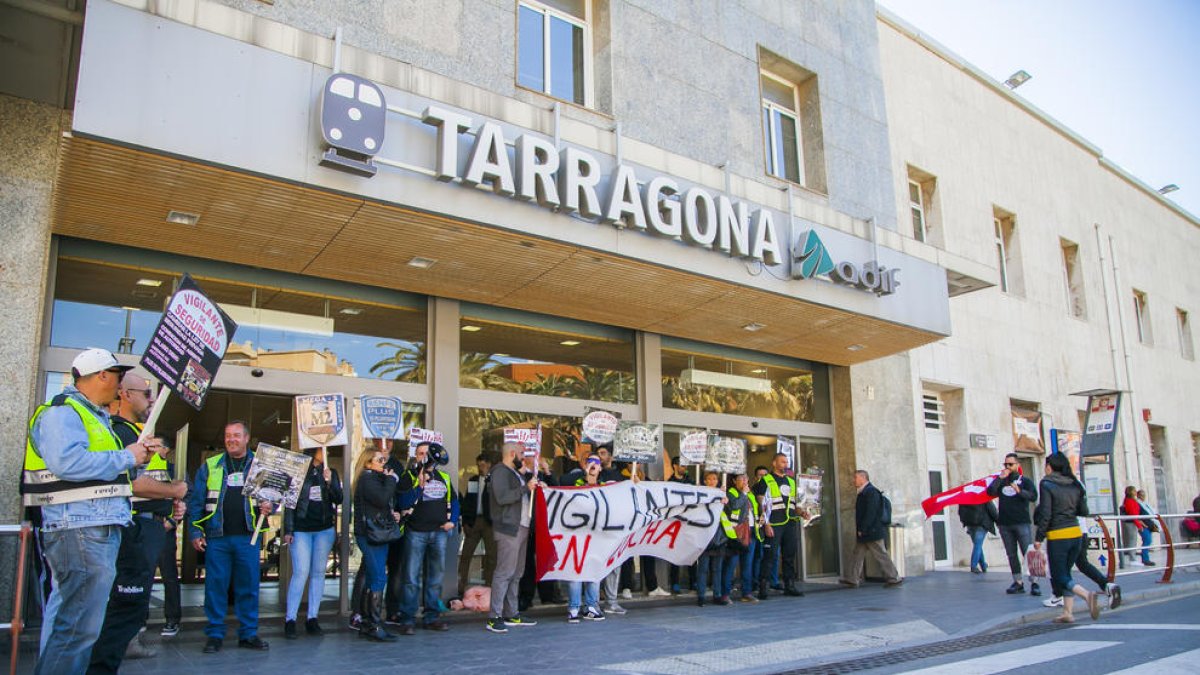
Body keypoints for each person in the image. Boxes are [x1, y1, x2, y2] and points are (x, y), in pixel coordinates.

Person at [24, 348, 154, 675]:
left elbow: (105, 470)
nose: (120, 386)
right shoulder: (63, 412)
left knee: (77, 625)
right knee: (77, 628)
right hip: (79, 528)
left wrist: (136, 461)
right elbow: (68, 462)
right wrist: (126, 457)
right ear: (101, 375)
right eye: (117, 376)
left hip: (92, 527)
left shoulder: (95, 417)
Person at [89, 372, 188, 673]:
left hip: (150, 525)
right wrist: (174, 491)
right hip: (136, 528)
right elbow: (134, 483)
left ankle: (113, 655)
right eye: (146, 394)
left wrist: (171, 509)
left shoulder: (136, 433)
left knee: (131, 602)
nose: (150, 400)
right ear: (125, 394)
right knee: (126, 602)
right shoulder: (122, 432)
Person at [187, 420, 274, 653]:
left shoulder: (261, 464)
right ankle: (215, 634)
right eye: (227, 436)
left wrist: (270, 506)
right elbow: (196, 502)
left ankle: (248, 633)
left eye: (236, 435)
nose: (231, 439)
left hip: (248, 537)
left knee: (248, 587)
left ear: (247, 438)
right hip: (217, 537)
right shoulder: (210, 465)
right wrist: (195, 531)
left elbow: (274, 498)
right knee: (215, 586)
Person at [394, 441, 460, 633]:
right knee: (411, 578)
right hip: (416, 532)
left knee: (435, 577)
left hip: (439, 532)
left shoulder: (444, 477)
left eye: (427, 453)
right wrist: (420, 484)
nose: (425, 457)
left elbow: (454, 501)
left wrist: (453, 520)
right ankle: (407, 618)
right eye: (421, 453)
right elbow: (403, 502)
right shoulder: (409, 477)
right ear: (416, 456)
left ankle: (431, 617)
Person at [282, 446, 343, 639]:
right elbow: (289, 503)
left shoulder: (330, 472)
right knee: (300, 573)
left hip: (324, 530)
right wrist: (288, 529)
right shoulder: (298, 471)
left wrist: (330, 482)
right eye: (322, 447)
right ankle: (290, 619)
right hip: (301, 530)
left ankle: (312, 618)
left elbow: (338, 499)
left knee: (318, 573)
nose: (326, 450)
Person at [1034, 453, 1101, 624]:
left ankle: (1087, 595)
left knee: (1059, 575)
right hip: (1076, 533)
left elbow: (1046, 513)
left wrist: (1039, 537)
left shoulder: (1047, 483)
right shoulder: (1074, 483)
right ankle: (1067, 612)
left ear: (1050, 466)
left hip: (1058, 535)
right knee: (1066, 573)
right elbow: (1083, 511)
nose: (1045, 468)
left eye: (1046, 464)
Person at [487, 442, 542, 632]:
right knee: (504, 572)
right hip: (508, 528)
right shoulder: (500, 472)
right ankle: (494, 615)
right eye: (521, 454)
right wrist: (525, 488)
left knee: (516, 573)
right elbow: (502, 497)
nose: (523, 458)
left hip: (521, 527)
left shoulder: (515, 474)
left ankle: (512, 612)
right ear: (512, 454)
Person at [352, 445, 400, 642]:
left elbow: (383, 504)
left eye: (384, 459)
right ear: (368, 462)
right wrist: (390, 480)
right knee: (379, 577)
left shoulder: (374, 479)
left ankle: (367, 622)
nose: (384, 463)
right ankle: (373, 623)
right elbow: (381, 499)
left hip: (378, 533)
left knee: (374, 576)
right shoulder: (367, 479)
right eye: (380, 460)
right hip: (370, 534)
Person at [986, 453, 1041, 595]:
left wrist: (1020, 491)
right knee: (1011, 554)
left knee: (1028, 552)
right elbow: (990, 492)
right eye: (1005, 464)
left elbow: (1033, 496)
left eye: (1010, 464)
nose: (1008, 467)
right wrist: (999, 478)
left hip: (1021, 522)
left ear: (1017, 465)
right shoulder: (1002, 480)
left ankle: (1035, 583)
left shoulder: (1025, 481)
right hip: (1005, 523)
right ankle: (1018, 582)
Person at [840, 470, 903, 588]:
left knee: (881, 554)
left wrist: (863, 528)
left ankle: (894, 578)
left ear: (863, 478)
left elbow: (871, 512)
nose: (853, 480)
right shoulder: (865, 492)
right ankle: (853, 579)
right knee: (857, 554)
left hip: (871, 531)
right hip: (868, 531)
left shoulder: (871, 492)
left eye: (856, 478)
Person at [752, 453, 803, 598]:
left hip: (790, 523)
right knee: (770, 556)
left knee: (789, 556)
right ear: (774, 463)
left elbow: (793, 504)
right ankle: (764, 588)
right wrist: (766, 525)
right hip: (773, 523)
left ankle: (790, 586)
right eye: (782, 462)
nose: (785, 464)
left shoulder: (791, 482)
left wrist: (802, 512)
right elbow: (761, 505)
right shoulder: (765, 481)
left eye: (786, 462)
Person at [563, 453, 606, 623]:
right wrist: (584, 473)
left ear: (601, 468)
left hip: (595, 535)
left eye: (597, 462)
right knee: (576, 571)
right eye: (590, 462)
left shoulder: (604, 487)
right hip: (577, 535)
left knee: (593, 571)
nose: (593, 465)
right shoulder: (575, 483)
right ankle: (574, 607)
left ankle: (591, 606)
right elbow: (563, 484)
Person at [457, 453, 495, 597]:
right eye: (479, 465)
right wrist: (466, 522)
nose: (480, 468)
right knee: (467, 553)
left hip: (489, 522)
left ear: (489, 465)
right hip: (474, 520)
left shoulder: (493, 481)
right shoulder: (473, 480)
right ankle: (462, 584)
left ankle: (489, 585)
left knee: (492, 555)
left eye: (483, 465)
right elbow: (467, 501)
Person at [724, 472, 761, 602]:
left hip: (751, 531)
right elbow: (734, 506)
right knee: (731, 563)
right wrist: (744, 494)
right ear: (734, 481)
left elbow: (755, 511)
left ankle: (747, 592)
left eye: (746, 478)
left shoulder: (750, 494)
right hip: (736, 533)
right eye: (741, 479)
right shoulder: (731, 493)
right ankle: (725, 593)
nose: (745, 481)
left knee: (747, 564)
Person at [696, 471, 732, 606]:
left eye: (714, 479)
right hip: (705, 535)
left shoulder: (722, 495)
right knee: (703, 568)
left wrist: (725, 502)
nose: (712, 481)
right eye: (709, 479)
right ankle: (701, 595)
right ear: (705, 481)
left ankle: (717, 595)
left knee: (717, 568)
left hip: (719, 536)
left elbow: (729, 513)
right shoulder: (700, 494)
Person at [958, 500, 998, 573]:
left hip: (970, 524)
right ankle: (973, 566)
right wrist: (998, 521)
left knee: (977, 545)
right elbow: (992, 510)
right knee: (978, 545)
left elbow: (960, 512)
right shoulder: (983, 496)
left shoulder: (965, 497)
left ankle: (983, 566)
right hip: (982, 524)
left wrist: (965, 521)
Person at [1121, 486, 1155, 566]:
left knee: (1134, 540)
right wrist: (1139, 525)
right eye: (1134, 491)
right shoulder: (1129, 501)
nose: (1136, 492)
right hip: (1131, 523)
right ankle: (1133, 559)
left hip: (1136, 522)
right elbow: (1133, 514)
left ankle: (1134, 559)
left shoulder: (1133, 500)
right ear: (1130, 492)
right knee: (1132, 541)